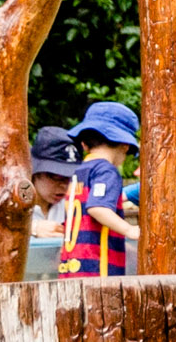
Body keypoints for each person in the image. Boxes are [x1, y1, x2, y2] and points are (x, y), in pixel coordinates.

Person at [63, 102, 140, 277]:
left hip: (72, 266)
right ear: (124, 146)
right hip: (97, 269)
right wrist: (130, 230)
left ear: (84, 144)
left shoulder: (80, 171)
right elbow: (98, 207)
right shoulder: (106, 171)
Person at [25, 126, 82, 263]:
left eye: (69, 178)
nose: (63, 185)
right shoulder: (16, 198)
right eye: (55, 176)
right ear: (35, 170)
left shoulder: (72, 202)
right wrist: (32, 227)